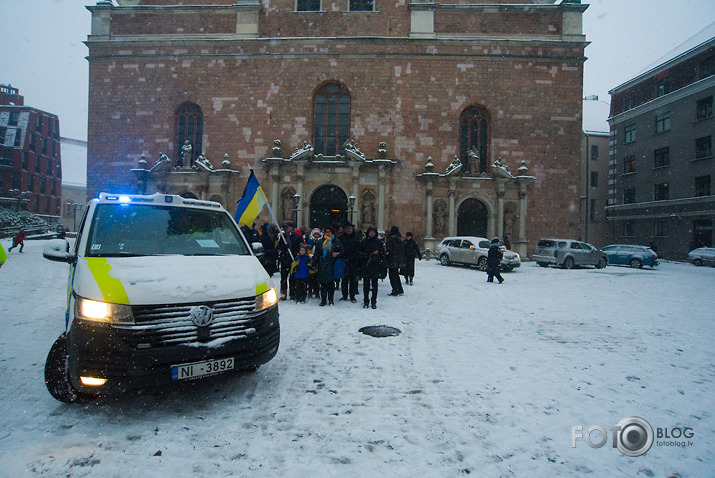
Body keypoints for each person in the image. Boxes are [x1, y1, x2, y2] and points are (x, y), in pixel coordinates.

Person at [313, 225, 343, 306]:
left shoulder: (336, 241)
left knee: (330, 283)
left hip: (332, 264)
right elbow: (316, 253)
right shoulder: (320, 242)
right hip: (322, 264)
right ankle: (323, 300)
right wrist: (314, 264)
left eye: (329, 232)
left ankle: (330, 299)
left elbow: (342, 251)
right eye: (326, 232)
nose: (328, 233)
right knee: (323, 283)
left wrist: (337, 254)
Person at [358, 225, 385, 309]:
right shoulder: (363, 242)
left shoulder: (379, 242)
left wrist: (382, 265)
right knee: (366, 285)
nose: (372, 233)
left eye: (373, 232)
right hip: (366, 266)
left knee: (374, 285)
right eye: (370, 232)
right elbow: (359, 253)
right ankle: (366, 301)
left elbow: (382, 254)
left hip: (375, 266)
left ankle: (374, 301)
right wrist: (366, 255)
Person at [276, 221, 303, 300]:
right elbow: (279, 247)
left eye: (288, 227)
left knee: (293, 277)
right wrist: (283, 246)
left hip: (293, 259)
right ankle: (283, 292)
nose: (286, 228)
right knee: (283, 277)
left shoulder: (297, 236)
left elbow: (300, 247)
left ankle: (292, 293)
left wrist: (295, 252)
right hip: (285, 259)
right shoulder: (283, 236)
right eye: (285, 227)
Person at [338, 222, 361, 302]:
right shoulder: (341, 238)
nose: (348, 229)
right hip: (344, 261)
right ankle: (344, 295)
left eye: (350, 228)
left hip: (353, 261)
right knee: (344, 279)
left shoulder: (356, 237)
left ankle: (352, 295)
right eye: (347, 228)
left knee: (353, 279)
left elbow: (359, 249)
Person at [385, 226, 405, 296]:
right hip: (398, 260)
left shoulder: (390, 240)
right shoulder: (399, 240)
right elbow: (402, 251)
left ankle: (395, 289)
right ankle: (399, 289)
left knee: (392, 276)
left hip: (392, 260)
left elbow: (388, 251)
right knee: (396, 275)